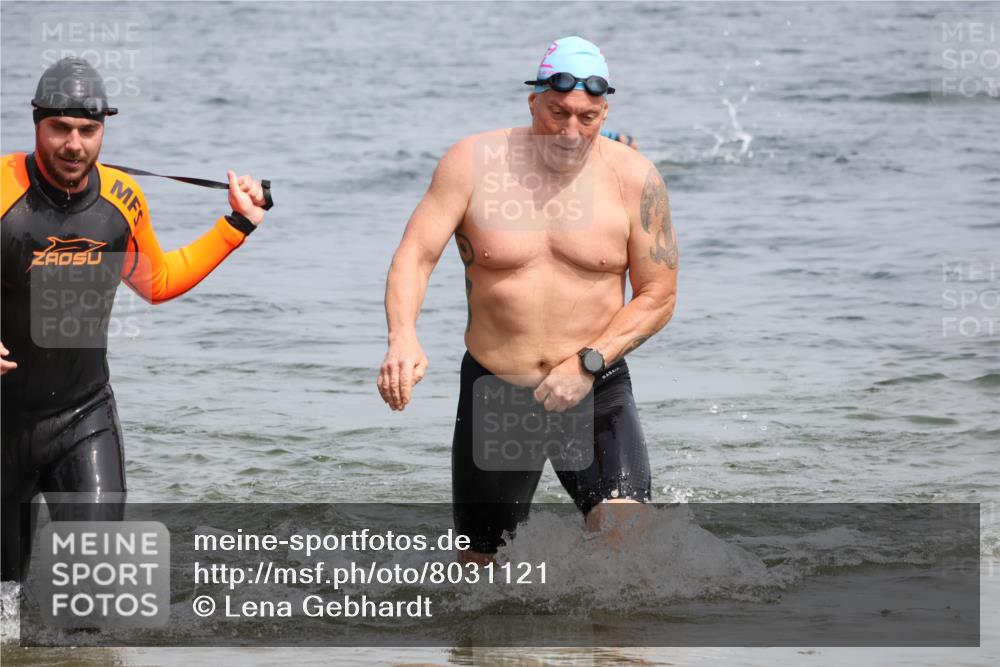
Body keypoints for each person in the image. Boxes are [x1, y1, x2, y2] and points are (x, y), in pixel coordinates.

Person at [378, 36, 677, 563]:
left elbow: (658, 294)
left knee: (628, 546)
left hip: (594, 387)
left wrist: (587, 364)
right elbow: (415, 254)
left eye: (587, 117)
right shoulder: (472, 164)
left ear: (605, 109)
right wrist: (403, 337)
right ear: (533, 101)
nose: (569, 131)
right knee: (480, 577)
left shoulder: (635, 179)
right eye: (557, 112)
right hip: (500, 392)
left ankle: (614, 648)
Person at [0, 58, 271, 581]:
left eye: (88, 129)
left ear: (104, 129)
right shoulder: (3, 189)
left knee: (93, 593)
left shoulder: (123, 200)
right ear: (37, 122)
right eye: (60, 128)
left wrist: (236, 224)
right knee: (4, 602)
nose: (74, 144)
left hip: (81, 419)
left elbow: (158, 282)